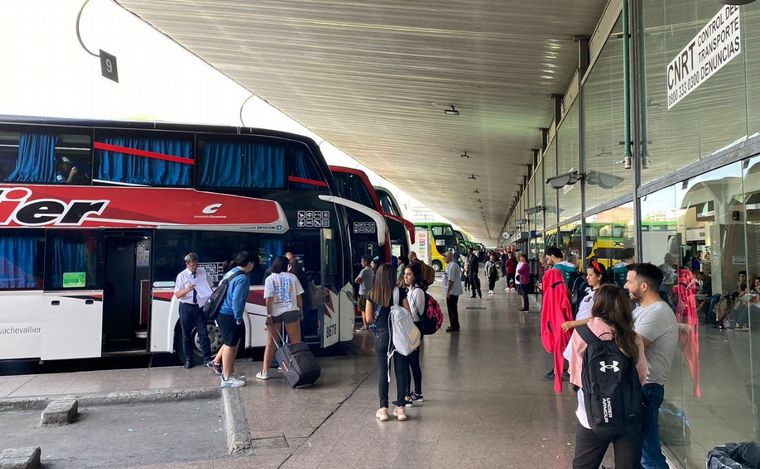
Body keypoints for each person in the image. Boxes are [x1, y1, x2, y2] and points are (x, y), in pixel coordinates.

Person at [567, 284, 648, 469]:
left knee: (583, 465)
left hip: (592, 415)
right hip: (629, 415)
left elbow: (576, 377)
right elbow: (641, 377)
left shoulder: (581, 334)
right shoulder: (632, 337)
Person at [624, 263, 678, 469]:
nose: (626, 285)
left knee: (649, 455)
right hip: (640, 386)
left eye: (630, 281)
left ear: (644, 286)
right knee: (638, 451)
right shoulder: (643, 310)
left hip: (648, 388)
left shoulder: (656, 313)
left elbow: (630, 347)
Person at [366, 263, 409, 422]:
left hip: (382, 337)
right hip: (398, 338)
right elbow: (408, 314)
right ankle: (400, 409)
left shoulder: (372, 293)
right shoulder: (400, 292)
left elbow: (369, 318)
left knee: (383, 371)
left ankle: (383, 409)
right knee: (400, 371)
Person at [211, 250, 255, 388]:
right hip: (229, 314)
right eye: (253, 262)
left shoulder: (232, 272)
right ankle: (226, 378)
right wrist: (237, 317)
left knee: (232, 343)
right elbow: (237, 301)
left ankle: (230, 372)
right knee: (230, 345)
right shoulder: (243, 278)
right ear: (249, 263)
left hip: (222, 312)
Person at [257, 256, 304, 380]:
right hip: (291, 311)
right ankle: (298, 370)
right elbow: (299, 297)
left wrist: (269, 315)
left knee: (271, 343)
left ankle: (265, 372)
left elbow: (269, 299)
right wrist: (301, 312)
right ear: (286, 265)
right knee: (296, 343)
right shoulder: (293, 277)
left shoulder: (269, 279)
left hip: (275, 313)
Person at [174, 252, 214, 369]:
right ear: (187, 264)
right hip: (186, 306)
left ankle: (207, 358)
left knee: (203, 333)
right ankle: (188, 359)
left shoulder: (203, 272)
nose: (194, 268)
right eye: (192, 266)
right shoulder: (181, 276)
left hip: (199, 306)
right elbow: (177, 294)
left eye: (196, 265)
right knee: (186, 334)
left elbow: (210, 286)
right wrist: (187, 289)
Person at [561, 259, 607, 333]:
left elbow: (597, 318)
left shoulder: (602, 294)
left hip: (589, 332)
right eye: (587, 275)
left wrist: (573, 323)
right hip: (580, 330)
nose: (587, 277)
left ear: (599, 277)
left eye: (590, 275)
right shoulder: (586, 290)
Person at [402, 262, 425, 405]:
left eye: (409, 274)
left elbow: (417, 313)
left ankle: (416, 392)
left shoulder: (418, 292)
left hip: (414, 328)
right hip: (409, 327)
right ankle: (413, 392)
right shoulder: (409, 290)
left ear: (415, 276)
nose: (406, 277)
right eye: (405, 274)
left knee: (413, 362)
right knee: (411, 361)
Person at [443, 251, 463, 332]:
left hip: (452, 292)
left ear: (449, 257)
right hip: (453, 291)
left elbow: (451, 281)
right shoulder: (451, 265)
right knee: (452, 309)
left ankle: (454, 327)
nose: (443, 258)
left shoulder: (452, 266)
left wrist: (448, 292)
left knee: (452, 309)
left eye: (445, 256)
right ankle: (454, 325)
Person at [355, 255, 375, 330]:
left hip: (362, 293)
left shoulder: (364, 270)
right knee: (369, 309)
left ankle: (365, 325)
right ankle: (369, 324)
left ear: (366, 262)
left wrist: (359, 281)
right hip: (369, 293)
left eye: (362, 261)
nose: (361, 263)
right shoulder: (371, 270)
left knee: (363, 310)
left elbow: (357, 280)